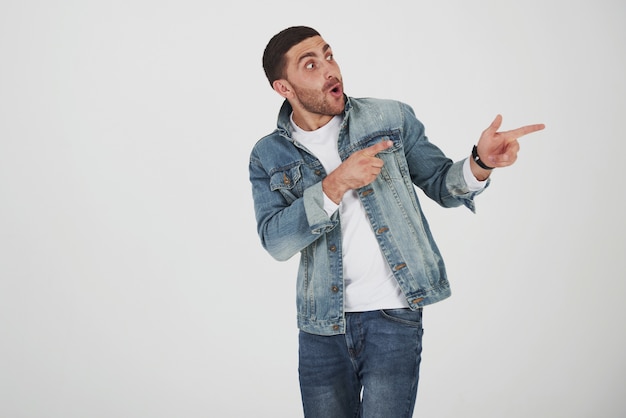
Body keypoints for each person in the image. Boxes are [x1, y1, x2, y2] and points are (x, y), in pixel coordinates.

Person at [249, 26, 544, 418]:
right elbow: (275, 241)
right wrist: (334, 186)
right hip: (321, 327)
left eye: (329, 54)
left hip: (393, 317)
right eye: (311, 64)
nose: (330, 69)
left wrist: (480, 163)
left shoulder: (389, 117)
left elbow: (441, 183)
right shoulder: (267, 155)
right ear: (283, 88)